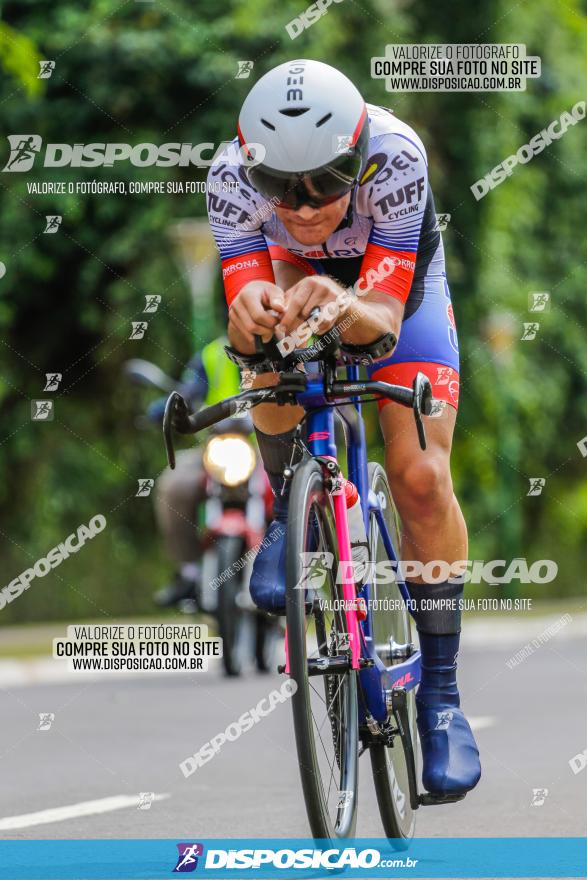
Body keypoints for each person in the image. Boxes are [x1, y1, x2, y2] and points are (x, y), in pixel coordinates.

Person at [206, 59, 481, 798]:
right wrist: (255, 305)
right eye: (279, 190)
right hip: (296, 277)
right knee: (263, 347)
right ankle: (290, 510)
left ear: (357, 158)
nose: (301, 208)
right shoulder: (228, 174)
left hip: (395, 290)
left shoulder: (397, 157)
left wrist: (339, 297)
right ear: (250, 169)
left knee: (420, 478)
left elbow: (383, 325)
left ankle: (441, 699)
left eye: (326, 183)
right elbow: (246, 281)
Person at [148, 336, 241, 607]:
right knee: (173, 484)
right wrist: (169, 406)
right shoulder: (213, 355)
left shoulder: (289, 342)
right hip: (218, 452)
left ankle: (303, 570)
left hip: (269, 450)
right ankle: (189, 573)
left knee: (307, 485)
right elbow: (190, 390)